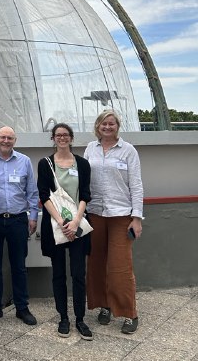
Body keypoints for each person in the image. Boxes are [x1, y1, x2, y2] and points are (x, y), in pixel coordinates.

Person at [83, 109, 143, 334]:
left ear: (117, 126)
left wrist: (136, 217)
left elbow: (136, 185)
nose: (107, 127)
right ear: (98, 126)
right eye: (103, 123)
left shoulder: (128, 151)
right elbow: (82, 178)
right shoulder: (91, 148)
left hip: (121, 215)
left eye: (112, 124)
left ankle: (129, 313)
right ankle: (104, 305)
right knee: (96, 263)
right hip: (96, 213)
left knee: (121, 266)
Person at [37, 123, 93, 340]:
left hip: (78, 225)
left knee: (79, 274)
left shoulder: (82, 164)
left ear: (71, 138)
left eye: (65, 135)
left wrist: (76, 220)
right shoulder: (45, 163)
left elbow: (86, 194)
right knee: (58, 274)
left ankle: (80, 318)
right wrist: (62, 222)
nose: (62, 138)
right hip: (55, 226)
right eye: (58, 135)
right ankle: (63, 318)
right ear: (53, 138)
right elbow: (43, 195)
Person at [0, 126, 39, 326]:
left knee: (19, 266)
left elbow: (32, 191)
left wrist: (33, 217)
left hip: (17, 219)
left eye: (10, 138)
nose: (6, 141)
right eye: (2, 137)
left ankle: (22, 307)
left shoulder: (24, 161)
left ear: (15, 140)